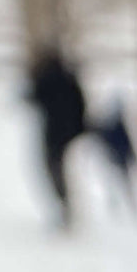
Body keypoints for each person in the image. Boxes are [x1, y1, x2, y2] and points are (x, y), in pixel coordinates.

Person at [26, 47, 87, 225]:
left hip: (55, 134)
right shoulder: (68, 78)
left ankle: (64, 204)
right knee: (59, 170)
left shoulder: (48, 79)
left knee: (54, 169)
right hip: (67, 134)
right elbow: (82, 105)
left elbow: (34, 97)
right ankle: (65, 205)